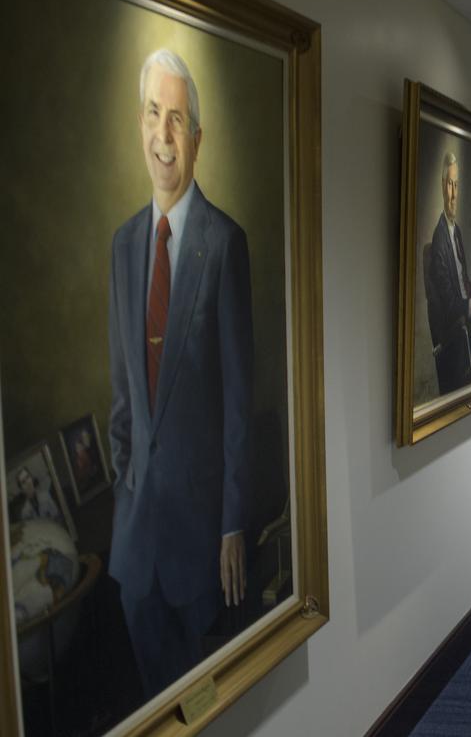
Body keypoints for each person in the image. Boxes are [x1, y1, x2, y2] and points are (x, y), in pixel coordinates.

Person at [107, 48, 253, 697]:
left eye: (177, 119)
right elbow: (122, 395)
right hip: (135, 555)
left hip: (202, 552)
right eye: (152, 114)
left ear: (197, 138)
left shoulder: (224, 244)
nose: (162, 136)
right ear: (140, 124)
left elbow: (239, 404)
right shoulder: (122, 246)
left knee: (201, 707)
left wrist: (231, 523)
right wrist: (125, 493)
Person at [424, 152, 471, 394]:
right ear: (442, 186)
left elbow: (464, 279)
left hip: (465, 313)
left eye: (456, 185)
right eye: (449, 184)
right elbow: (447, 301)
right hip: (453, 327)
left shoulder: (456, 232)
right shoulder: (439, 239)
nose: (453, 194)